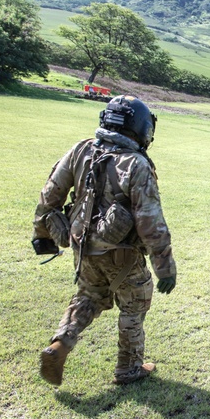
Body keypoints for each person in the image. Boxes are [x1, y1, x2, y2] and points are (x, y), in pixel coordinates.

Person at [32, 95, 177, 387]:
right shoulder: (136, 164)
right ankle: (129, 368)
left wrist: (41, 235)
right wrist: (165, 268)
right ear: (139, 127)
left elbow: (50, 196)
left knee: (89, 297)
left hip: (83, 247)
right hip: (122, 255)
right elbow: (151, 222)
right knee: (134, 305)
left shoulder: (82, 149)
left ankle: (60, 345)